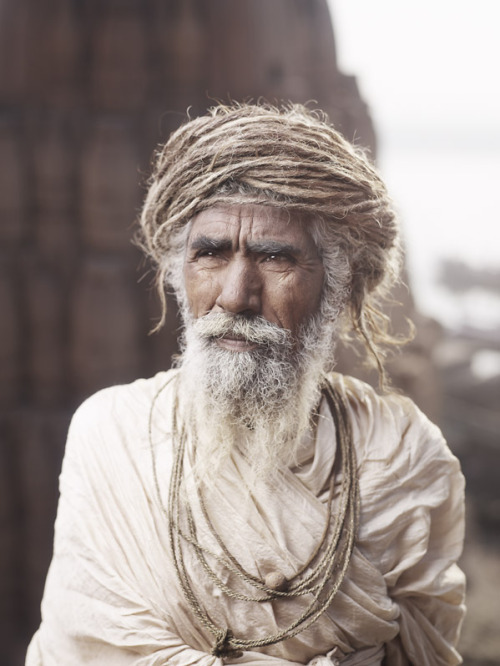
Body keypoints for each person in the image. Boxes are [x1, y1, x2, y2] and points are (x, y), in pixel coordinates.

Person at [27, 103, 466, 665]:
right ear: (176, 272)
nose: (236, 295)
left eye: (275, 258)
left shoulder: (401, 458)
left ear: (337, 287)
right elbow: (84, 644)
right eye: (209, 254)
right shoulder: (111, 435)